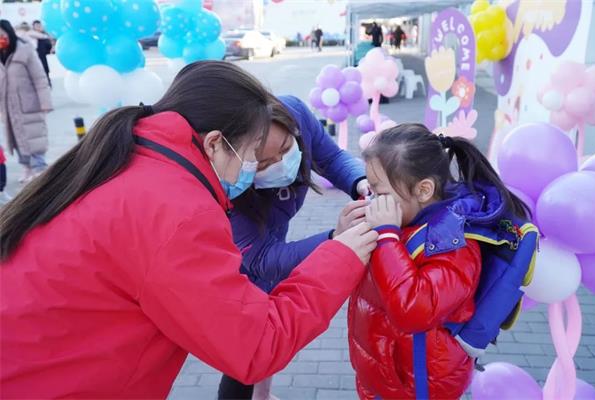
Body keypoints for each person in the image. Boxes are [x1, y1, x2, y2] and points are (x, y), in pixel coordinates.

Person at [0, 60, 378, 399]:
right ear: (215, 143)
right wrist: (339, 255)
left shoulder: (138, 156)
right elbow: (254, 345)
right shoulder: (178, 211)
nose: (262, 165)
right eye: (253, 155)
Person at [348, 124, 530, 399]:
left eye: (378, 192)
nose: (372, 200)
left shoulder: (453, 245)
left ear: (423, 190)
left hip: (419, 384)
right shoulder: (402, 221)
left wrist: (386, 237)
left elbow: (414, 310)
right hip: (385, 372)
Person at [217, 95, 370, 400]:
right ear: (239, 159)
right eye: (262, 163)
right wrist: (335, 240)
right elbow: (262, 259)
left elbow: (331, 158)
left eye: (286, 149)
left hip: (272, 240)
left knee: (270, 326)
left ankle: (262, 394)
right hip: (240, 263)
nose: (279, 165)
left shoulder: (295, 113)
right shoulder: (226, 187)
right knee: (244, 350)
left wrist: (361, 182)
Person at [0, 20, 52, 184]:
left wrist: (45, 102)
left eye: (2, 34)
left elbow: (39, 78)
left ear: (9, 33)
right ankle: (26, 168)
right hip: (8, 106)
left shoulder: (25, 50)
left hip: (29, 103)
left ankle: (40, 169)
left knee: (33, 135)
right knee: (16, 137)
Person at [30, 20, 53, 86]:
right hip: (35, 58)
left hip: (43, 57)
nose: (38, 27)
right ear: (33, 27)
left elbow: (49, 46)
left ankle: (48, 84)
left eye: (39, 25)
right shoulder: (31, 35)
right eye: (36, 26)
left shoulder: (45, 35)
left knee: (45, 71)